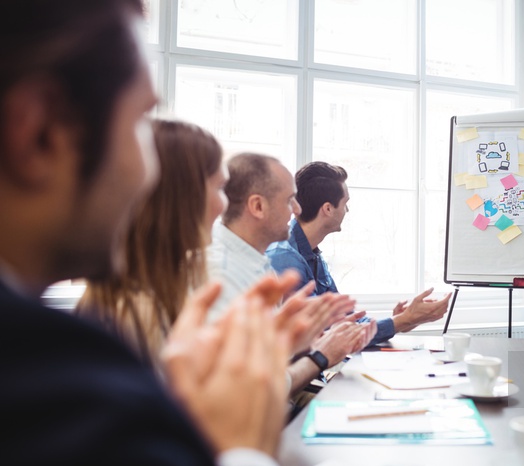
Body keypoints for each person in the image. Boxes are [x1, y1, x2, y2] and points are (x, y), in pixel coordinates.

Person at [0, 1, 300, 464]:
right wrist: (237, 448)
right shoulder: (56, 379)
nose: (147, 177)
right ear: (41, 133)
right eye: (139, 122)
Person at [207, 153, 376, 397]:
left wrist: (311, 340)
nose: (297, 210)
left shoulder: (258, 262)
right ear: (257, 206)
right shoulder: (223, 274)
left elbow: (270, 358)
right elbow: (254, 392)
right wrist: (320, 355)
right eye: (289, 201)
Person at [76, 119, 228, 368]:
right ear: (181, 198)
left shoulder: (137, 296)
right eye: (220, 188)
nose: (223, 205)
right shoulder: (137, 312)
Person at [267, 161, 452, 343]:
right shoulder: (285, 259)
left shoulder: (313, 254)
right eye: (345, 203)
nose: (347, 210)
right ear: (328, 209)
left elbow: (345, 320)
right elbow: (327, 333)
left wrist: (402, 321)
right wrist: (402, 321)